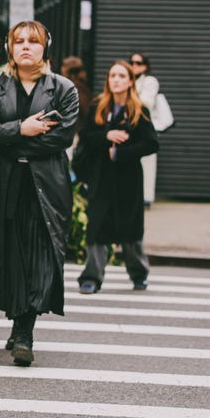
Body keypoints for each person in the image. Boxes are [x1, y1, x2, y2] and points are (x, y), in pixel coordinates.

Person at [0, 20, 79, 367]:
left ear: (46, 47)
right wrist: (21, 128)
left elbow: (63, 136)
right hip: (3, 183)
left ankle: (25, 332)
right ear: (9, 48)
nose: (26, 47)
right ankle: (18, 322)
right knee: (10, 255)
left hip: (46, 185)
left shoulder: (62, 88)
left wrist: (11, 140)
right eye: (19, 41)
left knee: (39, 257)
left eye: (33, 41)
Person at [76, 61, 159, 294]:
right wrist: (107, 136)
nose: (116, 80)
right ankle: (91, 277)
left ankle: (139, 273)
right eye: (112, 75)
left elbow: (151, 143)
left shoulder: (139, 109)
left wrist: (121, 153)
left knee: (130, 230)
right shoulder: (98, 107)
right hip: (101, 178)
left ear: (130, 81)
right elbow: (86, 137)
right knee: (96, 227)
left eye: (122, 76)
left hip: (128, 179)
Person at [129, 53, 162, 206]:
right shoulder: (129, 80)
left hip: (145, 126)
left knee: (148, 163)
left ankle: (146, 197)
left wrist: (128, 97)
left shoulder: (150, 81)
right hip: (130, 127)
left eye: (138, 63)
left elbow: (146, 102)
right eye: (132, 62)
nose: (135, 65)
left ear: (145, 66)